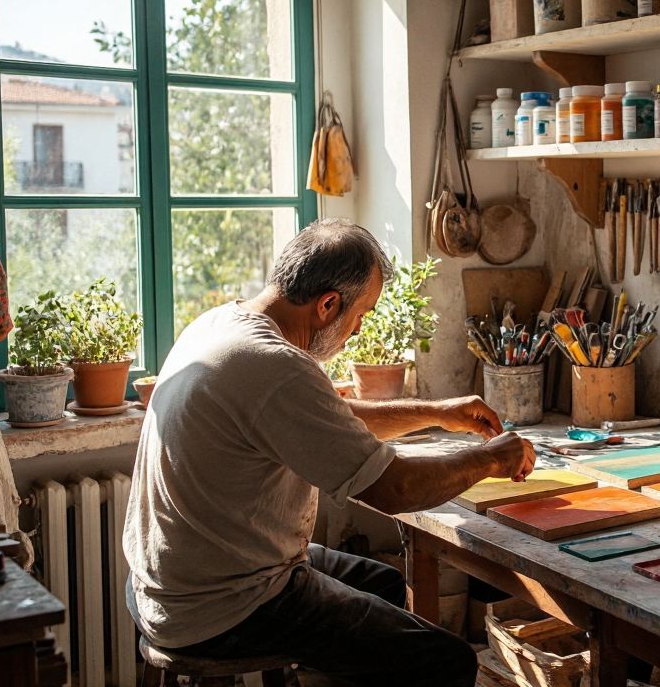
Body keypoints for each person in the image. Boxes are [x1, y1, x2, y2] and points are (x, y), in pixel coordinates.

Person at [123, 218, 535, 686]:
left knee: (382, 585)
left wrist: (437, 412)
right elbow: (395, 489)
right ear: (328, 305)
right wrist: (492, 459)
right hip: (223, 605)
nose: (357, 332)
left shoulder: (221, 324)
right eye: (360, 315)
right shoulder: (275, 366)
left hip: (170, 581)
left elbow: (325, 413)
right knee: (446, 660)